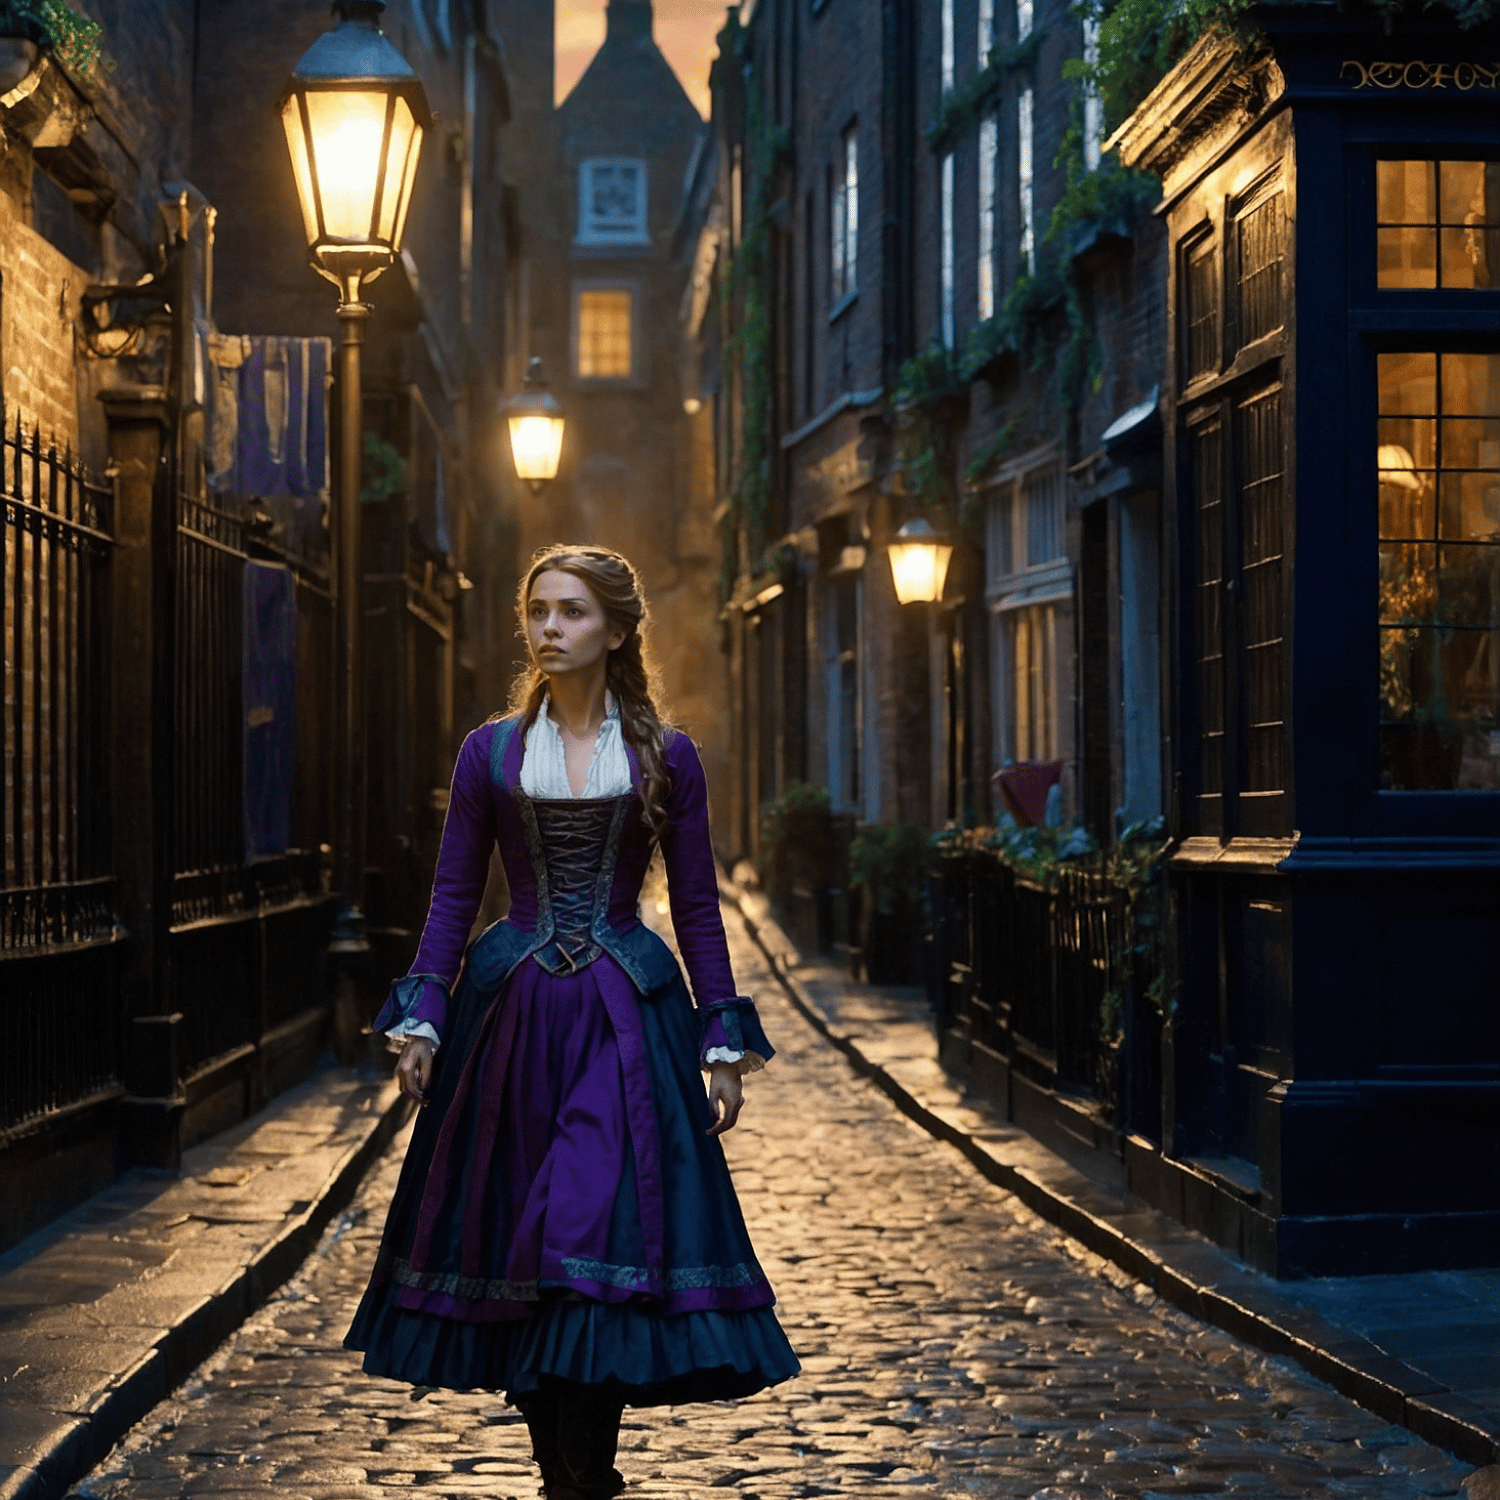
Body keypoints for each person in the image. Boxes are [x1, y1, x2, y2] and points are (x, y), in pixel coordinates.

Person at [345, 545, 799, 1499]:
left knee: (594, 1231)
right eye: (539, 610)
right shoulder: (490, 753)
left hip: (623, 1024)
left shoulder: (667, 756)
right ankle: (565, 1468)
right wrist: (424, 1015)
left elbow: (698, 904)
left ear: (618, 631)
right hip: (509, 1019)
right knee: (525, 1240)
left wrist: (721, 1037)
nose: (550, 628)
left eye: (573, 612)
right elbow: (454, 893)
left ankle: (584, 1472)